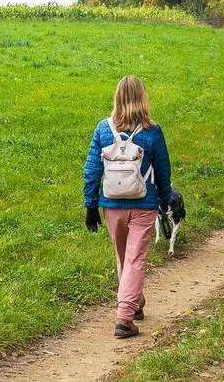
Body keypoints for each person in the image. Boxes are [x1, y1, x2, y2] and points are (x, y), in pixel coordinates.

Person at [83, 76, 174, 339]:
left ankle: (134, 302)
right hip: (144, 202)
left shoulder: (103, 129)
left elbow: (92, 170)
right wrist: (165, 199)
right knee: (135, 259)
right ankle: (124, 317)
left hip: (111, 203)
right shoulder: (152, 130)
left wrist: (91, 205)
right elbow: (163, 170)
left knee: (124, 256)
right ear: (143, 97)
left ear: (117, 97)